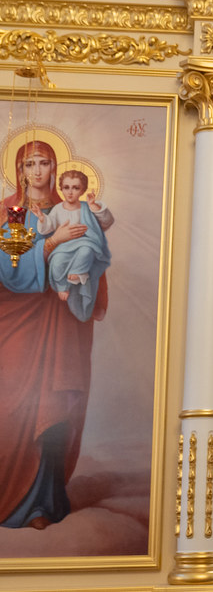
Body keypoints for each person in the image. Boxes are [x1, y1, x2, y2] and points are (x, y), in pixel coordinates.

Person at [0, 139, 100, 530]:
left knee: (55, 403)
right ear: (19, 170)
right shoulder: (8, 213)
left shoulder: (73, 211)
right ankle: (8, 500)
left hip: (61, 323)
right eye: (30, 164)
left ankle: (43, 503)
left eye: (44, 162)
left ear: (56, 168)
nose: (37, 171)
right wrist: (53, 243)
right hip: (16, 323)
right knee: (13, 405)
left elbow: (94, 257)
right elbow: (8, 271)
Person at [31, 169, 113, 321]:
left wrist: (94, 205)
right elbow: (48, 226)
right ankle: (63, 287)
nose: (70, 192)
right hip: (63, 247)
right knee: (56, 263)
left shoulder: (86, 208)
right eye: (66, 187)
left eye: (75, 188)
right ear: (61, 189)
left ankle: (78, 273)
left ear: (82, 190)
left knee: (87, 251)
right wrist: (42, 217)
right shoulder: (57, 209)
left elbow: (107, 221)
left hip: (84, 243)